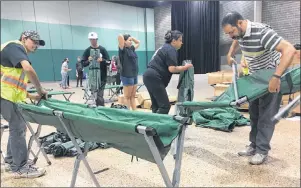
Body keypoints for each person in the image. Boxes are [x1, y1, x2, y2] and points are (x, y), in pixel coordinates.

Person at [222, 12, 296, 165]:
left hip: (270, 77)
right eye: (228, 33)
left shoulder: (262, 32)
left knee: (266, 117)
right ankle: (254, 145)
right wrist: (230, 54)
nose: (230, 36)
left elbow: (289, 50)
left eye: (231, 32)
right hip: (255, 79)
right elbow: (236, 40)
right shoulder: (239, 34)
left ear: (240, 23)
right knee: (254, 114)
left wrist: (276, 77)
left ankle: (262, 151)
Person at [0, 30, 48, 178]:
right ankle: (20, 167)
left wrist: (31, 95)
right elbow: (28, 69)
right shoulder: (15, 46)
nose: (36, 45)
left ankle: (10, 160)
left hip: (9, 96)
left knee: (17, 128)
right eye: (33, 41)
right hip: (5, 96)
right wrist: (40, 90)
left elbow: (13, 82)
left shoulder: (15, 53)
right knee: (18, 128)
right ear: (23, 38)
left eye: (38, 44)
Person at [143, 30, 193, 114]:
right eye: (180, 40)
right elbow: (172, 69)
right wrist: (185, 67)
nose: (182, 43)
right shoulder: (171, 49)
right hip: (154, 77)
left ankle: (153, 124)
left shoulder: (164, 47)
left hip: (148, 76)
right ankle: (159, 125)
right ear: (173, 41)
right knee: (165, 106)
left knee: (156, 105)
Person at [81, 32, 110, 106]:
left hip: (102, 76)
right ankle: (99, 109)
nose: (92, 41)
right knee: (95, 96)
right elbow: (83, 64)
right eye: (91, 40)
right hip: (93, 77)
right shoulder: (87, 50)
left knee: (99, 95)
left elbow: (109, 61)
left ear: (97, 39)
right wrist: (88, 60)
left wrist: (102, 60)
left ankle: (101, 110)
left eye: (94, 39)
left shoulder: (102, 49)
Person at [118, 34, 140, 110]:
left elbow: (138, 42)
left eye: (131, 41)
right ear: (124, 41)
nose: (131, 42)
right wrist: (124, 38)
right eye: (129, 40)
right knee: (127, 97)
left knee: (133, 96)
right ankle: (128, 114)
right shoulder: (122, 49)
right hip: (127, 75)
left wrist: (132, 38)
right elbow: (119, 36)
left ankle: (134, 113)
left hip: (134, 75)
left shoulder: (132, 49)